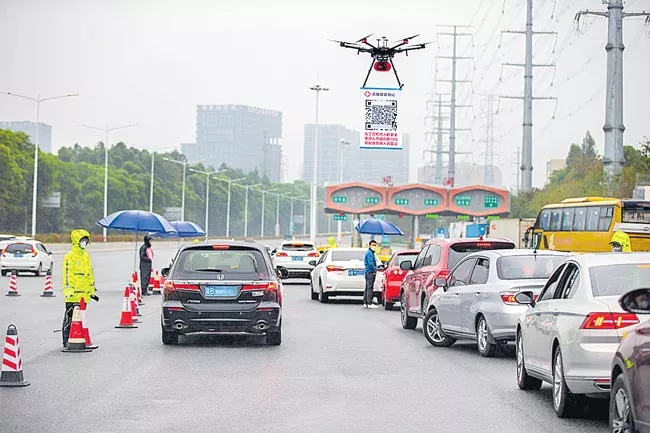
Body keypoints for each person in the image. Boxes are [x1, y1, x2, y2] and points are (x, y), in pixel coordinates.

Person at [61, 229, 98, 347]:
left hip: (84, 295)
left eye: (86, 240)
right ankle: (66, 340)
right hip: (73, 294)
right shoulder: (69, 256)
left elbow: (89, 274)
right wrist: (68, 290)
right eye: (83, 240)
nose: (85, 243)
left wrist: (92, 291)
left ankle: (79, 339)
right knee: (69, 319)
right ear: (77, 241)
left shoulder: (86, 256)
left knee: (80, 319)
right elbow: (67, 275)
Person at [363, 240, 379, 309]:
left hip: (368, 272)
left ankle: (366, 302)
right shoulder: (369, 253)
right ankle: (369, 303)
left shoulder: (371, 253)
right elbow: (370, 263)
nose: (374, 247)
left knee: (367, 288)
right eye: (373, 245)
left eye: (375, 245)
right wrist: (375, 270)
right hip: (370, 272)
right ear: (369, 245)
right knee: (370, 288)